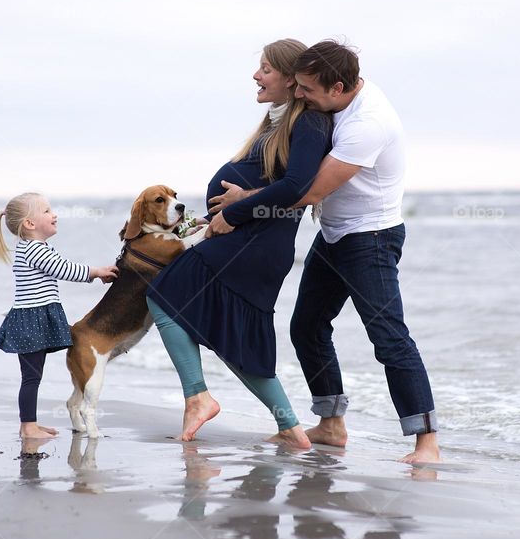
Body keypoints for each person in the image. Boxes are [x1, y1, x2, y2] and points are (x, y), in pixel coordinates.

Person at [209, 40, 441, 463]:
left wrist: (242, 206)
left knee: (389, 338)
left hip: (370, 239)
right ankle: (331, 425)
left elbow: (310, 190)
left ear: (337, 88)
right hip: (335, 234)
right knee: (307, 327)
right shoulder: (334, 98)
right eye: (296, 85)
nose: (299, 95)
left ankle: (427, 443)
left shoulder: (368, 124)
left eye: (307, 90)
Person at [145, 39, 333, 449]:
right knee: (236, 335)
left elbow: (296, 187)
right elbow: (268, 185)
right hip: (249, 241)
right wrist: (210, 218)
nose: (256, 75)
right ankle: (290, 427)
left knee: (164, 295)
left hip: (255, 245)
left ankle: (198, 396)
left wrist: (233, 213)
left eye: (265, 68)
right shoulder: (276, 122)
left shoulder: (309, 125)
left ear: (289, 78)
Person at [0, 192, 118, 439]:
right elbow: (64, 269)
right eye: (47, 211)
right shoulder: (35, 250)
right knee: (31, 377)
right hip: (31, 321)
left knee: (32, 376)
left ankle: (30, 425)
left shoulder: (30, 248)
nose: (54, 214)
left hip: (32, 320)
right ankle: (28, 427)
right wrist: (96, 271)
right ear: (29, 224)